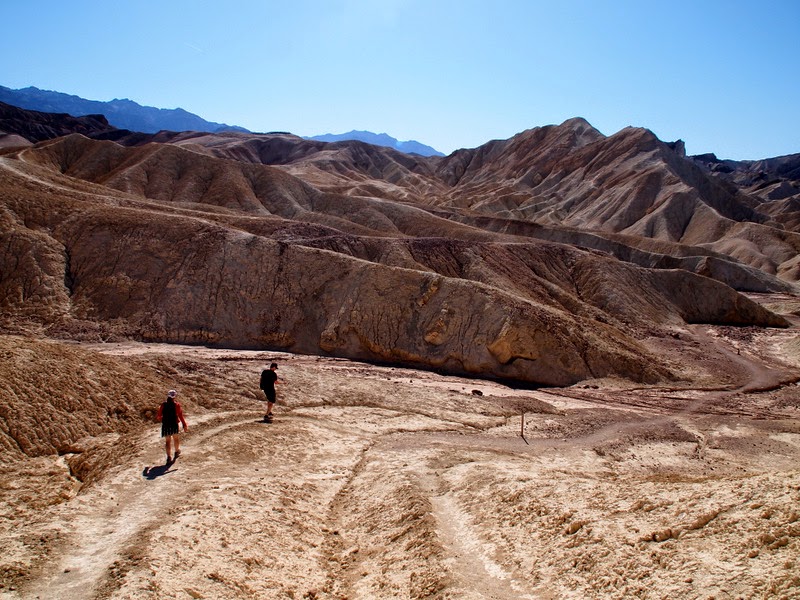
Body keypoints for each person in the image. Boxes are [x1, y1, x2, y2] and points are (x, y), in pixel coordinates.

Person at [156, 389, 188, 464]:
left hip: (166, 424)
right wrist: (184, 424)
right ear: (174, 396)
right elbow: (180, 415)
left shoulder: (163, 405)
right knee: (176, 438)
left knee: (167, 441)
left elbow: (159, 416)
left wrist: (163, 420)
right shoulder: (177, 405)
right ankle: (176, 451)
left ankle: (168, 457)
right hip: (174, 424)